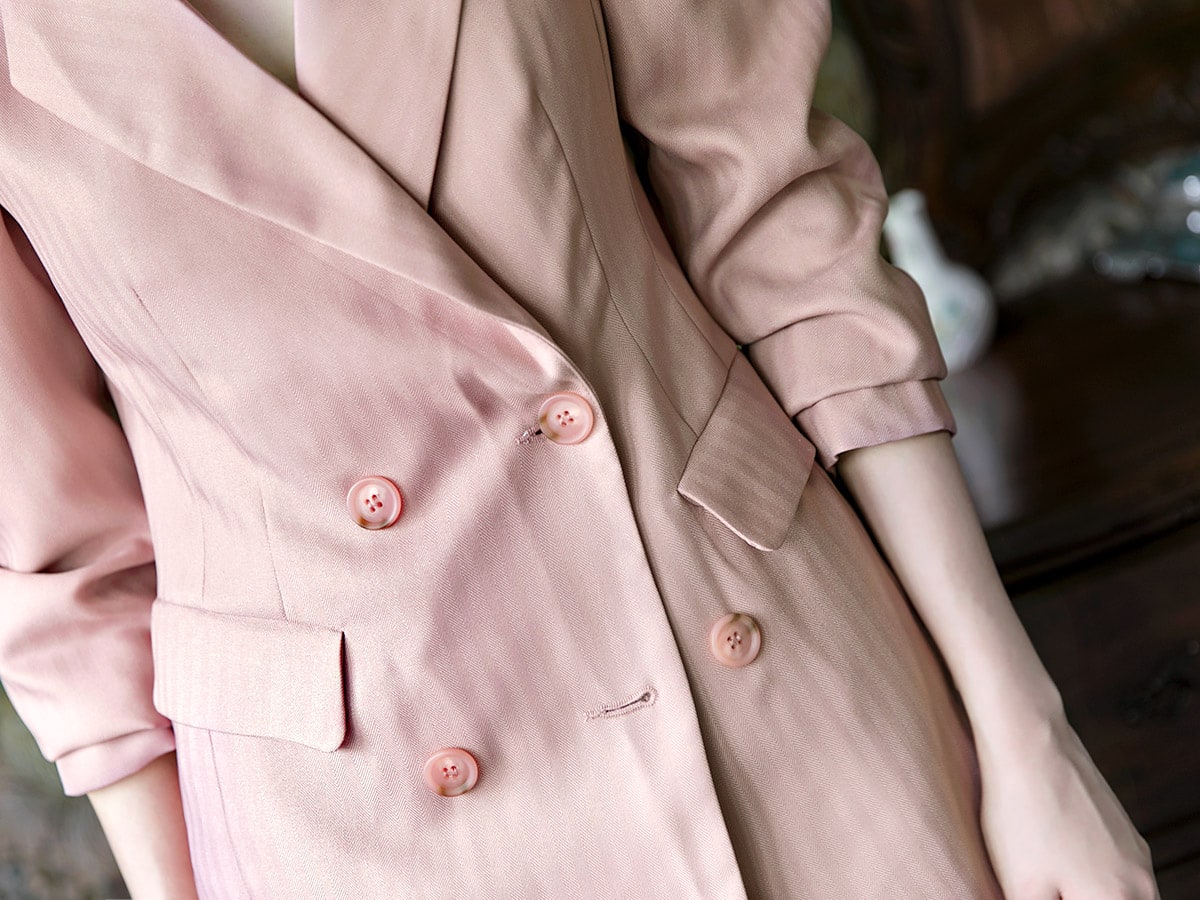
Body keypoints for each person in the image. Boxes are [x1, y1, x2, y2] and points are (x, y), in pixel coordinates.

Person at [0, 0, 1159, 897]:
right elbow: (65, 570)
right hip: (356, 824)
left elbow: (782, 222)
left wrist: (1027, 736)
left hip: (760, 689)